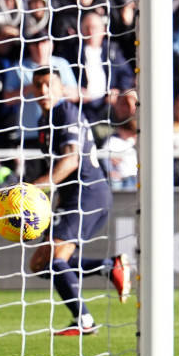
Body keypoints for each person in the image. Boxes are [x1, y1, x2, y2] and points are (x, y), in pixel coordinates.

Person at [25, 68, 128, 336]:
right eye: (38, 85)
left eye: (49, 84)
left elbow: (71, 161)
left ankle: (85, 321)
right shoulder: (44, 120)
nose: (44, 90)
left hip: (87, 194)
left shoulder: (65, 112)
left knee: (56, 259)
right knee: (39, 263)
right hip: (72, 196)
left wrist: (33, 191)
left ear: (62, 88)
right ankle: (109, 266)